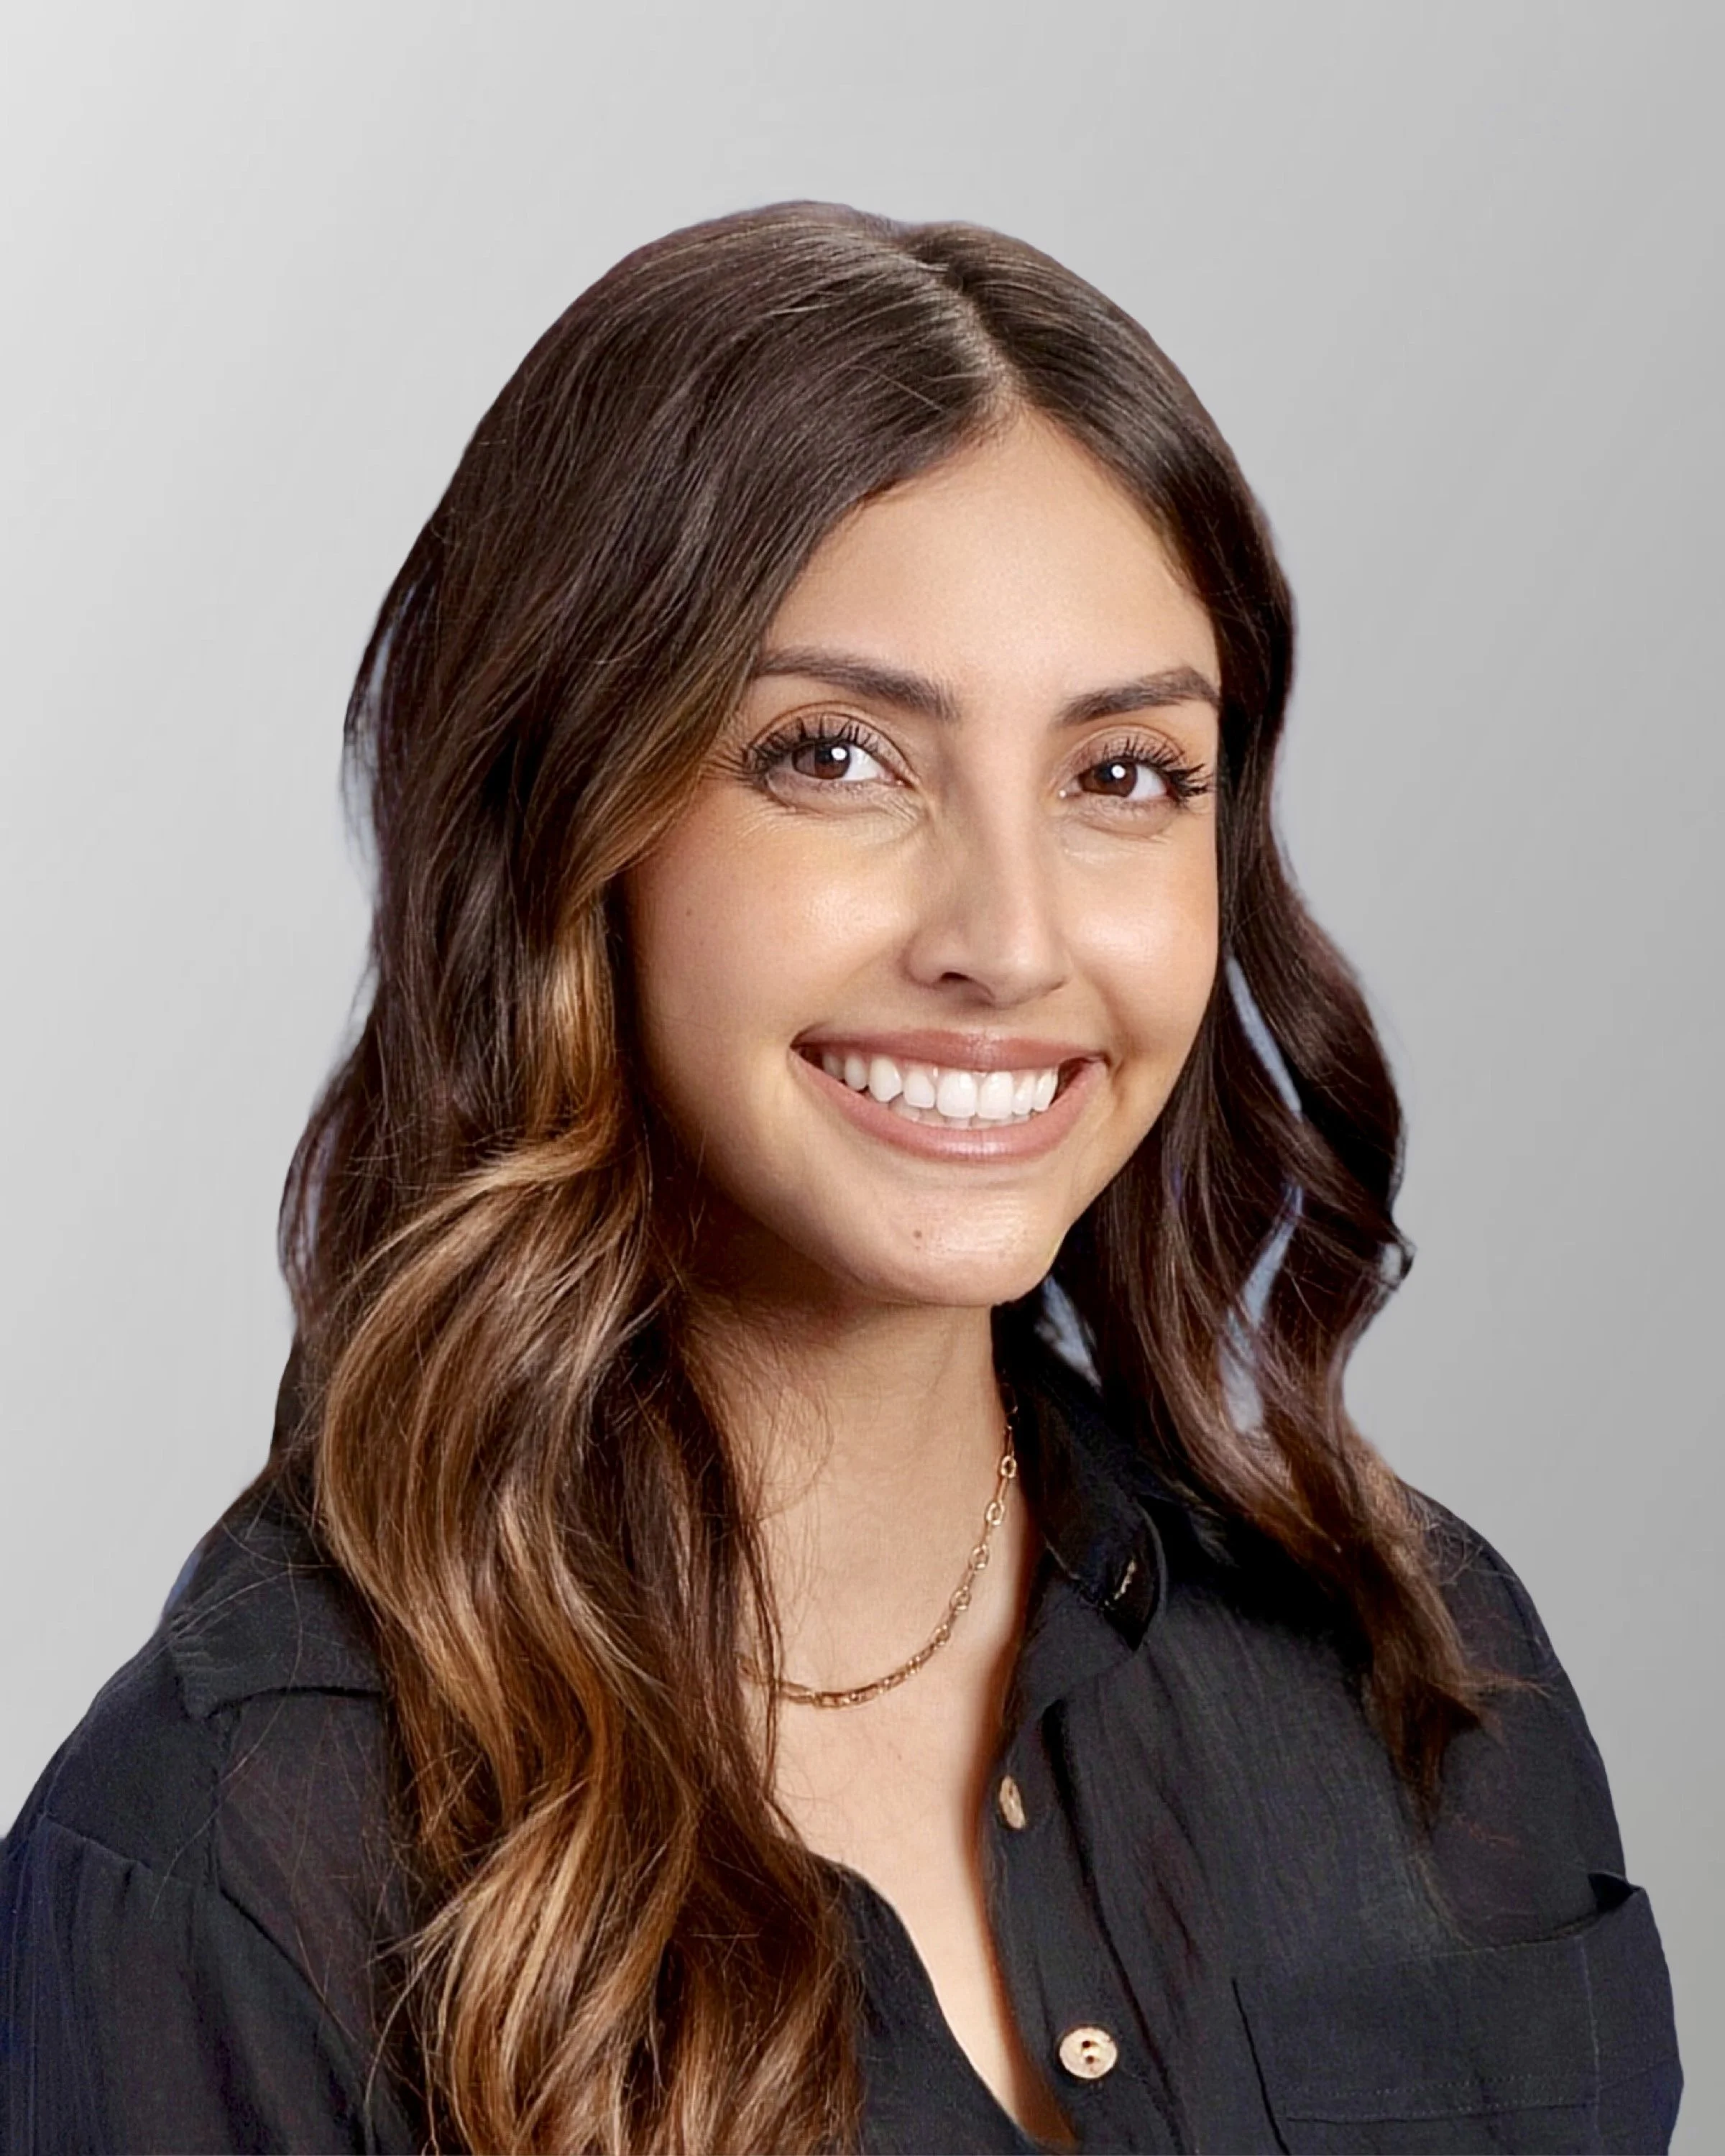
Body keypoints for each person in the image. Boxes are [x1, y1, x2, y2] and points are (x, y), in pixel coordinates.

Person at [0, 203, 1681, 2156]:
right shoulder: (219, 1875)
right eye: (834, 756)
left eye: (1124, 774)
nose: (1009, 935)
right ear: (563, 822)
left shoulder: (1419, 1684)